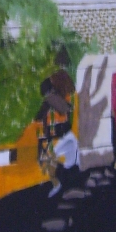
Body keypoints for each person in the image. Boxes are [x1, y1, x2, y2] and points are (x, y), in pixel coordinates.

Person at [35, 69, 77, 198]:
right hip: (68, 137)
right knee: (54, 157)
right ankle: (54, 179)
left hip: (65, 138)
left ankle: (56, 183)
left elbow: (39, 115)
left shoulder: (52, 99)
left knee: (50, 158)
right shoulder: (58, 97)